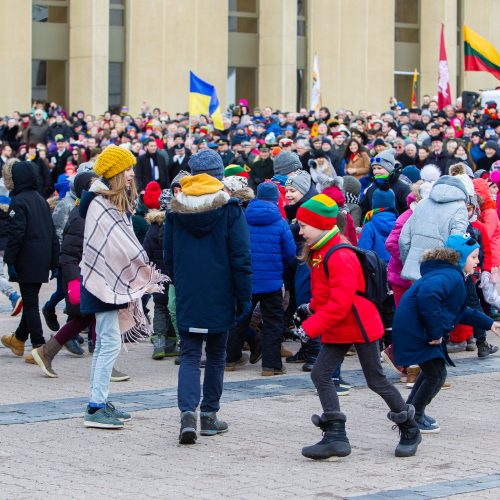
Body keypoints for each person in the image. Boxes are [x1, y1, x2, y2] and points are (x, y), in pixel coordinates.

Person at [293, 194, 421, 460]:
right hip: (341, 325)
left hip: (358, 324)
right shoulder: (322, 251)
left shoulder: (339, 254)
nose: (300, 230)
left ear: (321, 225)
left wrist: (310, 326)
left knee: (375, 380)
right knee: (321, 374)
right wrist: (310, 309)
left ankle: (410, 428)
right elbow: (326, 295)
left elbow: (341, 302)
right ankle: (336, 436)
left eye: (304, 225)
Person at [164, 149, 252, 444]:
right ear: (218, 177)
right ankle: (209, 416)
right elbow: (241, 257)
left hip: (190, 290)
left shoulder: (175, 210)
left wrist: (181, 284)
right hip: (221, 290)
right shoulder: (230, 209)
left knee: (189, 355)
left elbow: (169, 258)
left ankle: (187, 414)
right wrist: (244, 296)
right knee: (215, 354)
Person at [79, 145, 166, 429]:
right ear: (114, 172)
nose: (131, 174)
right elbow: (107, 247)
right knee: (108, 345)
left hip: (111, 281)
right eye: (126, 169)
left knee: (107, 344)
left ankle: (99, 402)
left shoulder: (113, 201)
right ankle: (95, 407)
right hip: (102, 282)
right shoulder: (98, 203)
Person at [393, 235, 500, 433]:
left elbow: (460, 310)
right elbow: (428, 295)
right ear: (460, 258)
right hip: (418, 331)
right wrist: (435, 332)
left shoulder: (450, 274)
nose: (478, 262)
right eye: (474, 257)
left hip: (416, 329)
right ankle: (414, 417)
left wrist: (488, 323)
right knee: (436, 374)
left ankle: (410, 411)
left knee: (432, 372)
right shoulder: (449, 276)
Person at [226, 182, 295, 375]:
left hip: (246, 280)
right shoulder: (280, 222)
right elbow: (289, 253)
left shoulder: (243, 217)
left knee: (240, 319)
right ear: (275, 200)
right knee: (273, 322)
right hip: (272, 282)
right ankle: (271, 365)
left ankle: (230, 359)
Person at [1, 160, 59, 362]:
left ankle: (39, 346)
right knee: (31, 300)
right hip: (42, 256)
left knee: (30, 303)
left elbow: (16, 234)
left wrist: (10, 260)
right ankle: (18, 339)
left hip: (27, 257)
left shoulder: (18, 201)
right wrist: (54, 260)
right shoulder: (40, 198)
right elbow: (51, 232)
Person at [399, 175, 469, 282]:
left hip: (415, 273)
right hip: (441, 274)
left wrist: (409, 263)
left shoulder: (422, 203)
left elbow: (403, 239)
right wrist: (460, 271)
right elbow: (456, 243)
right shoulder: (460, 208)